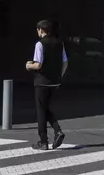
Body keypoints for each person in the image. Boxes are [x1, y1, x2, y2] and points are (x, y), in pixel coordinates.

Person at [26, 20, 68, 150]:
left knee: (41, 110)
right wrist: (59, 76)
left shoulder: (40, 44)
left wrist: (28, 66)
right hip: (55, 82)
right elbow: (65, 62)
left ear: (40, 30)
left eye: (37, 30)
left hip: (42, 81)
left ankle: (43, 141)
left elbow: (38, 64)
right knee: (45, 108)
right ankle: (58, 131)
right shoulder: (59, 43)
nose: (37, 32)